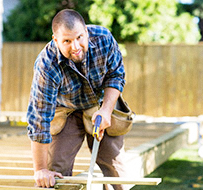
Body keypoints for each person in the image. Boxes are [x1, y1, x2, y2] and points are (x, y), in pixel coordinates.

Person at [26, 9, 128, 190]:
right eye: (67, 41)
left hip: (100, 103)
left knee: (115, 168)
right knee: (56, 170)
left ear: (86, 32)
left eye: (80, 38)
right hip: (67, 109)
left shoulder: (104, 38)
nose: (75, 46)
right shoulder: (46, 66)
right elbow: (39, 119)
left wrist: (105, 110)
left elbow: (116, 75)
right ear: (55, 40)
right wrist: (40, 170)